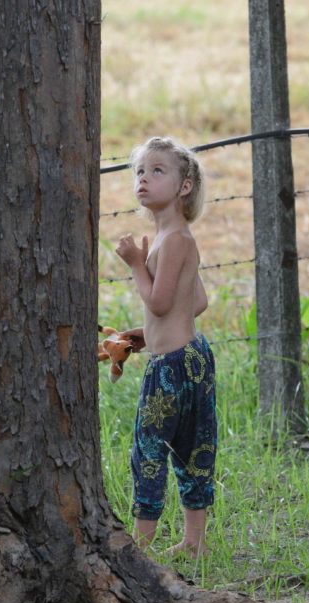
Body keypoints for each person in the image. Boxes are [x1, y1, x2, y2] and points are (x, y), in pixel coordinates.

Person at [114, 136, 216, 559]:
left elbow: (158, 300)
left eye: (158, 171)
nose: (144, 178)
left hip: (171, 367)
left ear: (184, 186)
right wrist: (148, 333)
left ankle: (140, 547)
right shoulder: (176, 236)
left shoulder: (171, 241)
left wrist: (135, 264)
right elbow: (195, 302)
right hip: (192, 354)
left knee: (151, 450)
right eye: (140, 171)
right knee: (195, 446)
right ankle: (194, 544)